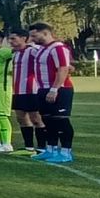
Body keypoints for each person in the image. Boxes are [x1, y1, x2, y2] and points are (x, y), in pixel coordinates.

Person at [30, 22, 76, 163]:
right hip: (43, 88)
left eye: (34, 35)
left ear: (45, 33)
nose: (32, 39)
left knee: (60, 120)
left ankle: (66, 152)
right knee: (48, 121)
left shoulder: (58, 48)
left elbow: (63, 69)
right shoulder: (42, 49)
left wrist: (54, 89)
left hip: (59, 89)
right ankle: (51, 149)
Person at [8, 28, 44, 154]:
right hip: (18, 91)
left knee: (36, 119)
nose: (10, 41)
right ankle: (28, 147)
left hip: (32, 90)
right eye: (10, 39)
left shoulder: (33, 51)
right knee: (21, 118)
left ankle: (42, 147)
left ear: (23, 38)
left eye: (13, 38)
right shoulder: (15, 53)